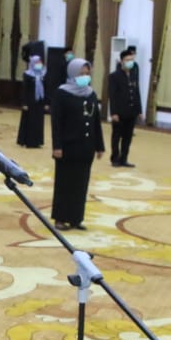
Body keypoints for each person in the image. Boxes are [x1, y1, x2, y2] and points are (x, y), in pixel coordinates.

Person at [50, 59, 105, 230]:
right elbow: (56, 122)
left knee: (81, 183)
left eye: (87, 74)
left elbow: (96, 121)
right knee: (65, 182)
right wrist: (57, 146)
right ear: (73, 73)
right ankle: (60, 217)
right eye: (81, 74)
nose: (85, 77)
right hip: (67, 147)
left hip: (86, 147)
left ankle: (76, 218)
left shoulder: (91, 94)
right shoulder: (61, 93)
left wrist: (99, 145)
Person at [108, 48, 143, 168]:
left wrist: (139, 110)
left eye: (132, 60)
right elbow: (112, 96)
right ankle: (115, 158)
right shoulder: (114, 76)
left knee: (128, 137)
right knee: (117, 136)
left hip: (131, 112)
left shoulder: (134, 74)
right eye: (128, 60)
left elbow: (137, 92)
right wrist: (114, 113)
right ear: (121, 61)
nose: (130, 62)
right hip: (119, 112)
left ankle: (124, 158)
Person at [17, 54, 47, 148]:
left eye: (40, 62)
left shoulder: (43, 74)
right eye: (37, 62)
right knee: (29, 121)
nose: (39, 64)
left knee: (39, 122)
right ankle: (28, 141)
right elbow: (24, 90)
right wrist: (24, 103)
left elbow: (46, 88)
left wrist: (46, 102)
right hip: (30, 102)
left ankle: (38, 141)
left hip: (39, 102)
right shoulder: (27, 74)